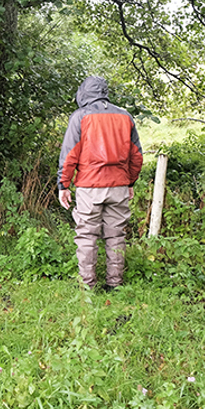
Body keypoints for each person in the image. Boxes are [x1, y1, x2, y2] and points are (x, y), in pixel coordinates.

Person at [57, 76, 143, 290]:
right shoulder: (125, 116)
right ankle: (115, 284)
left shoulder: (80, 117)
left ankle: (88, 286)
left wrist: (63, 185)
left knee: (87, 235)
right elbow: (137, 155)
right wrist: (130, 182)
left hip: (89, 187)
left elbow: (69, 155)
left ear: (83, 93)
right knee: (116, 234)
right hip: (119, 186)